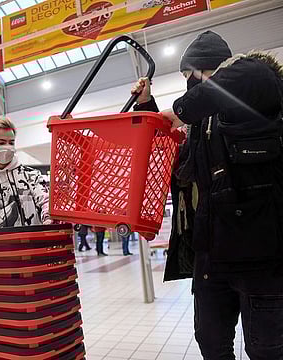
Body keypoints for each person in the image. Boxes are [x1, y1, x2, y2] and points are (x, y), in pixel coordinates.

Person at [132, 30, 283, 360]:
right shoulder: (201, 123)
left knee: (266, 350)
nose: (191, 86)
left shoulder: (258, 86)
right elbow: (178, 157)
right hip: (211, 257)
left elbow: (253, 75)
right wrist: (149, 107)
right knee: (211, 344)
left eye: (193, 76)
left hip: (260, 257)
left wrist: (183, 108)